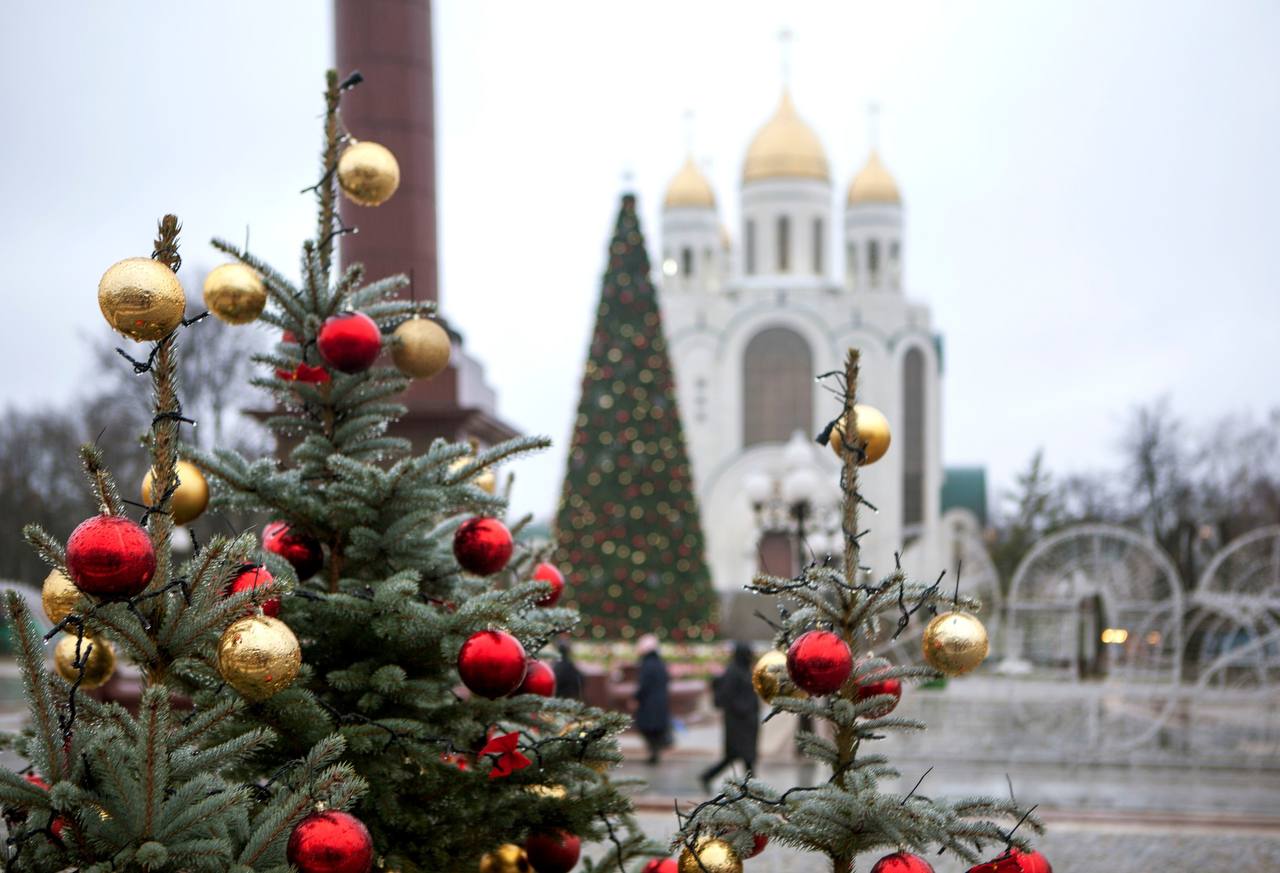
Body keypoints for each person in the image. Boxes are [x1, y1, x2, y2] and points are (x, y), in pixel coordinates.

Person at [701, 641, 760, 793]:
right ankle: (752, 787)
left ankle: (750, 786)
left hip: (745, 721)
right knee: (742, 756)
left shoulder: (741, 669)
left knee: (741, 756)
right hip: (738, 722)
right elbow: (726, 696)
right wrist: (745, 709)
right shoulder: (734, 672)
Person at [633, 633, 671, 764]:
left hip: (648, 703)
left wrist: (636, 698)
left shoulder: (647, 664)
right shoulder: (661, 663)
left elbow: (643, 685)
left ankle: (654, 752)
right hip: (660, 701)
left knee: (646, 728)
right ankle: (655, 752)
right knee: (655, 729)